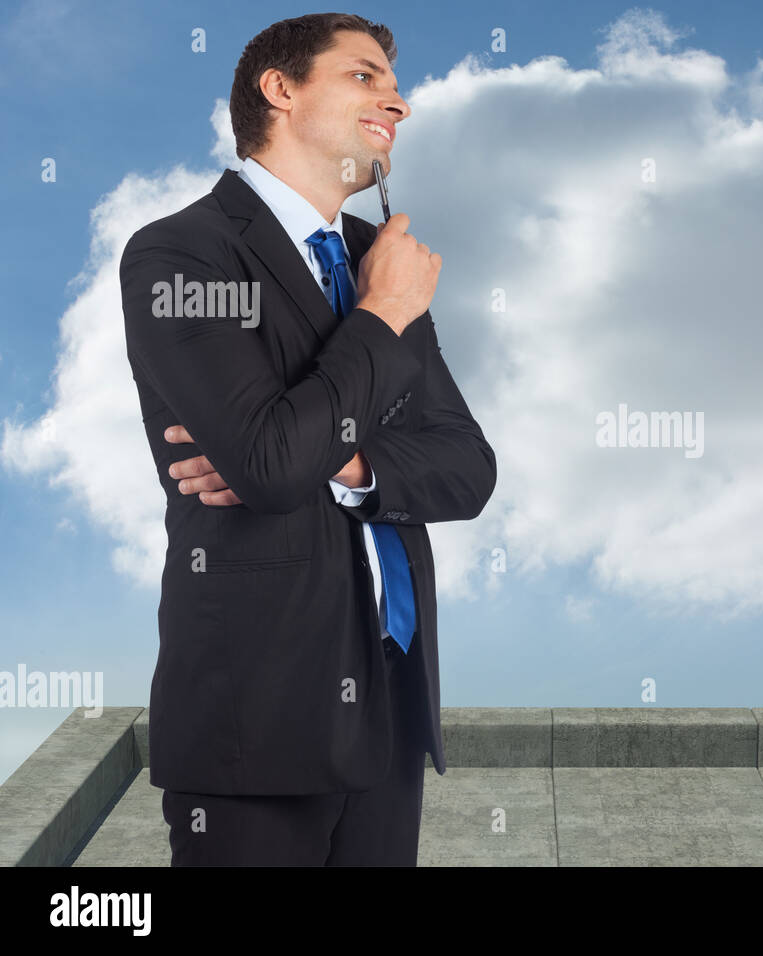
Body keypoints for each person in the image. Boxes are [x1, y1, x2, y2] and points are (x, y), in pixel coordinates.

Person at [118, 12, 496, 865]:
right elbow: (269, 464)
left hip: (391, 708)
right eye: (365, 77)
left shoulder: (374, 255)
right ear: (279, 90)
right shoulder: (182, 256)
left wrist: (343, 459)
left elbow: (467, 468)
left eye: (395, 87)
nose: (396, 103)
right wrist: (383, 315)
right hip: (258, 721)